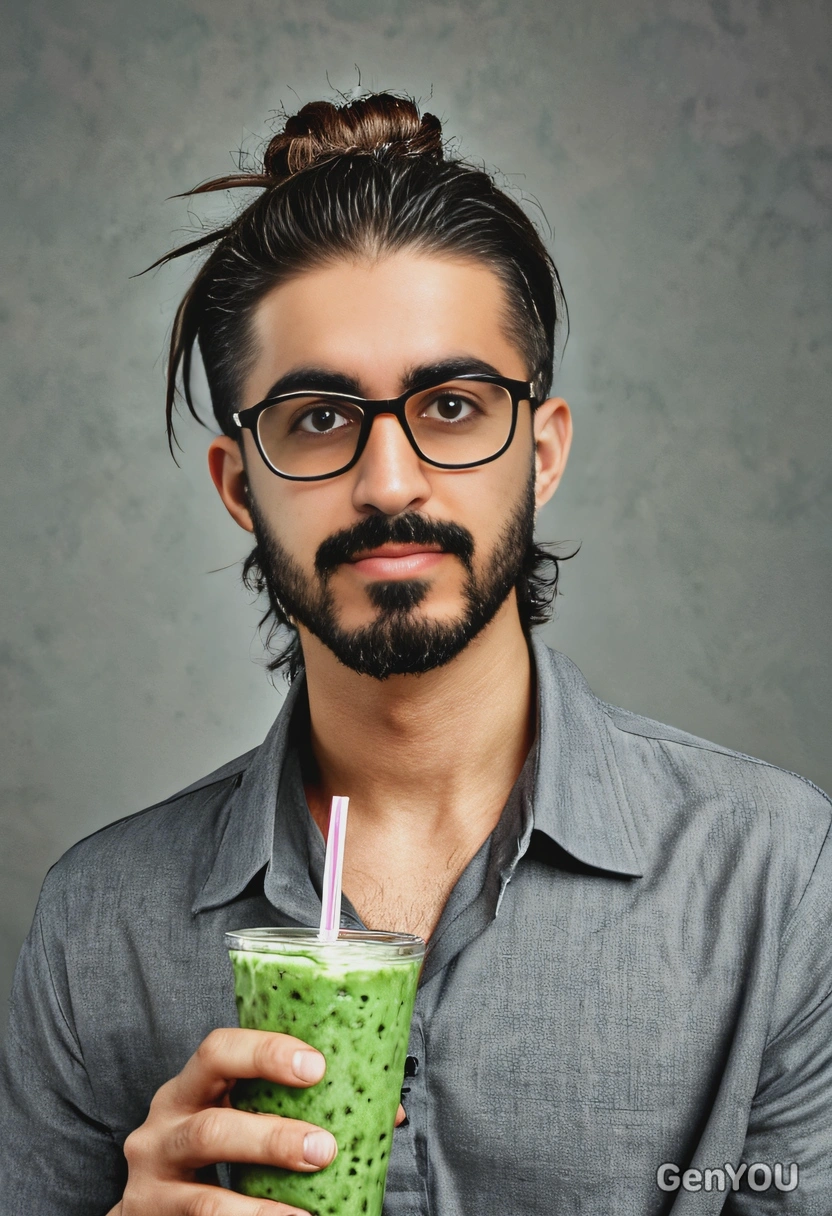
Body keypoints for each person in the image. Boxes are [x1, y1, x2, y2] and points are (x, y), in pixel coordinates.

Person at [1, 92, 830, 1216]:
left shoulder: (781, 879)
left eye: (450, 406)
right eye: (317, 417)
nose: (389, 482)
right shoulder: (99, 923)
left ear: (540, 453)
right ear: (239, 487)